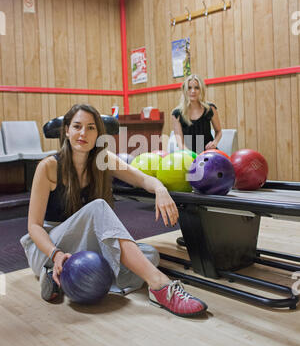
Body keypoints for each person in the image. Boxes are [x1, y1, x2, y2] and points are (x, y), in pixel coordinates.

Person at [20, 104, 207, 318]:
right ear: (66, 131)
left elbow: (142, 178)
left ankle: (62, 280)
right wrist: (56, 253)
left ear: (98, 133)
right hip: (48, 248)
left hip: (79, 247)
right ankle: (159, 285)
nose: (83, 133)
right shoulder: (48, 166)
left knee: (149, 255)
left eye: (91, 128)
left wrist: (160, 189)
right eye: (77, 126)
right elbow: (33, 226)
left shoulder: (103, 159)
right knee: (99, 208)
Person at [172, 74, 222, 155]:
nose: (193, 91)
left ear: (201, 90)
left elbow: (219, 131)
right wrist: (192, 156)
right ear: (185, 90)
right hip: (188, 155)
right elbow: (180, 143)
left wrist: (215, 142)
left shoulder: (210, 109)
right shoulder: (177, 114)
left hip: (209, 154)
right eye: (189, 88)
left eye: (196, 88)